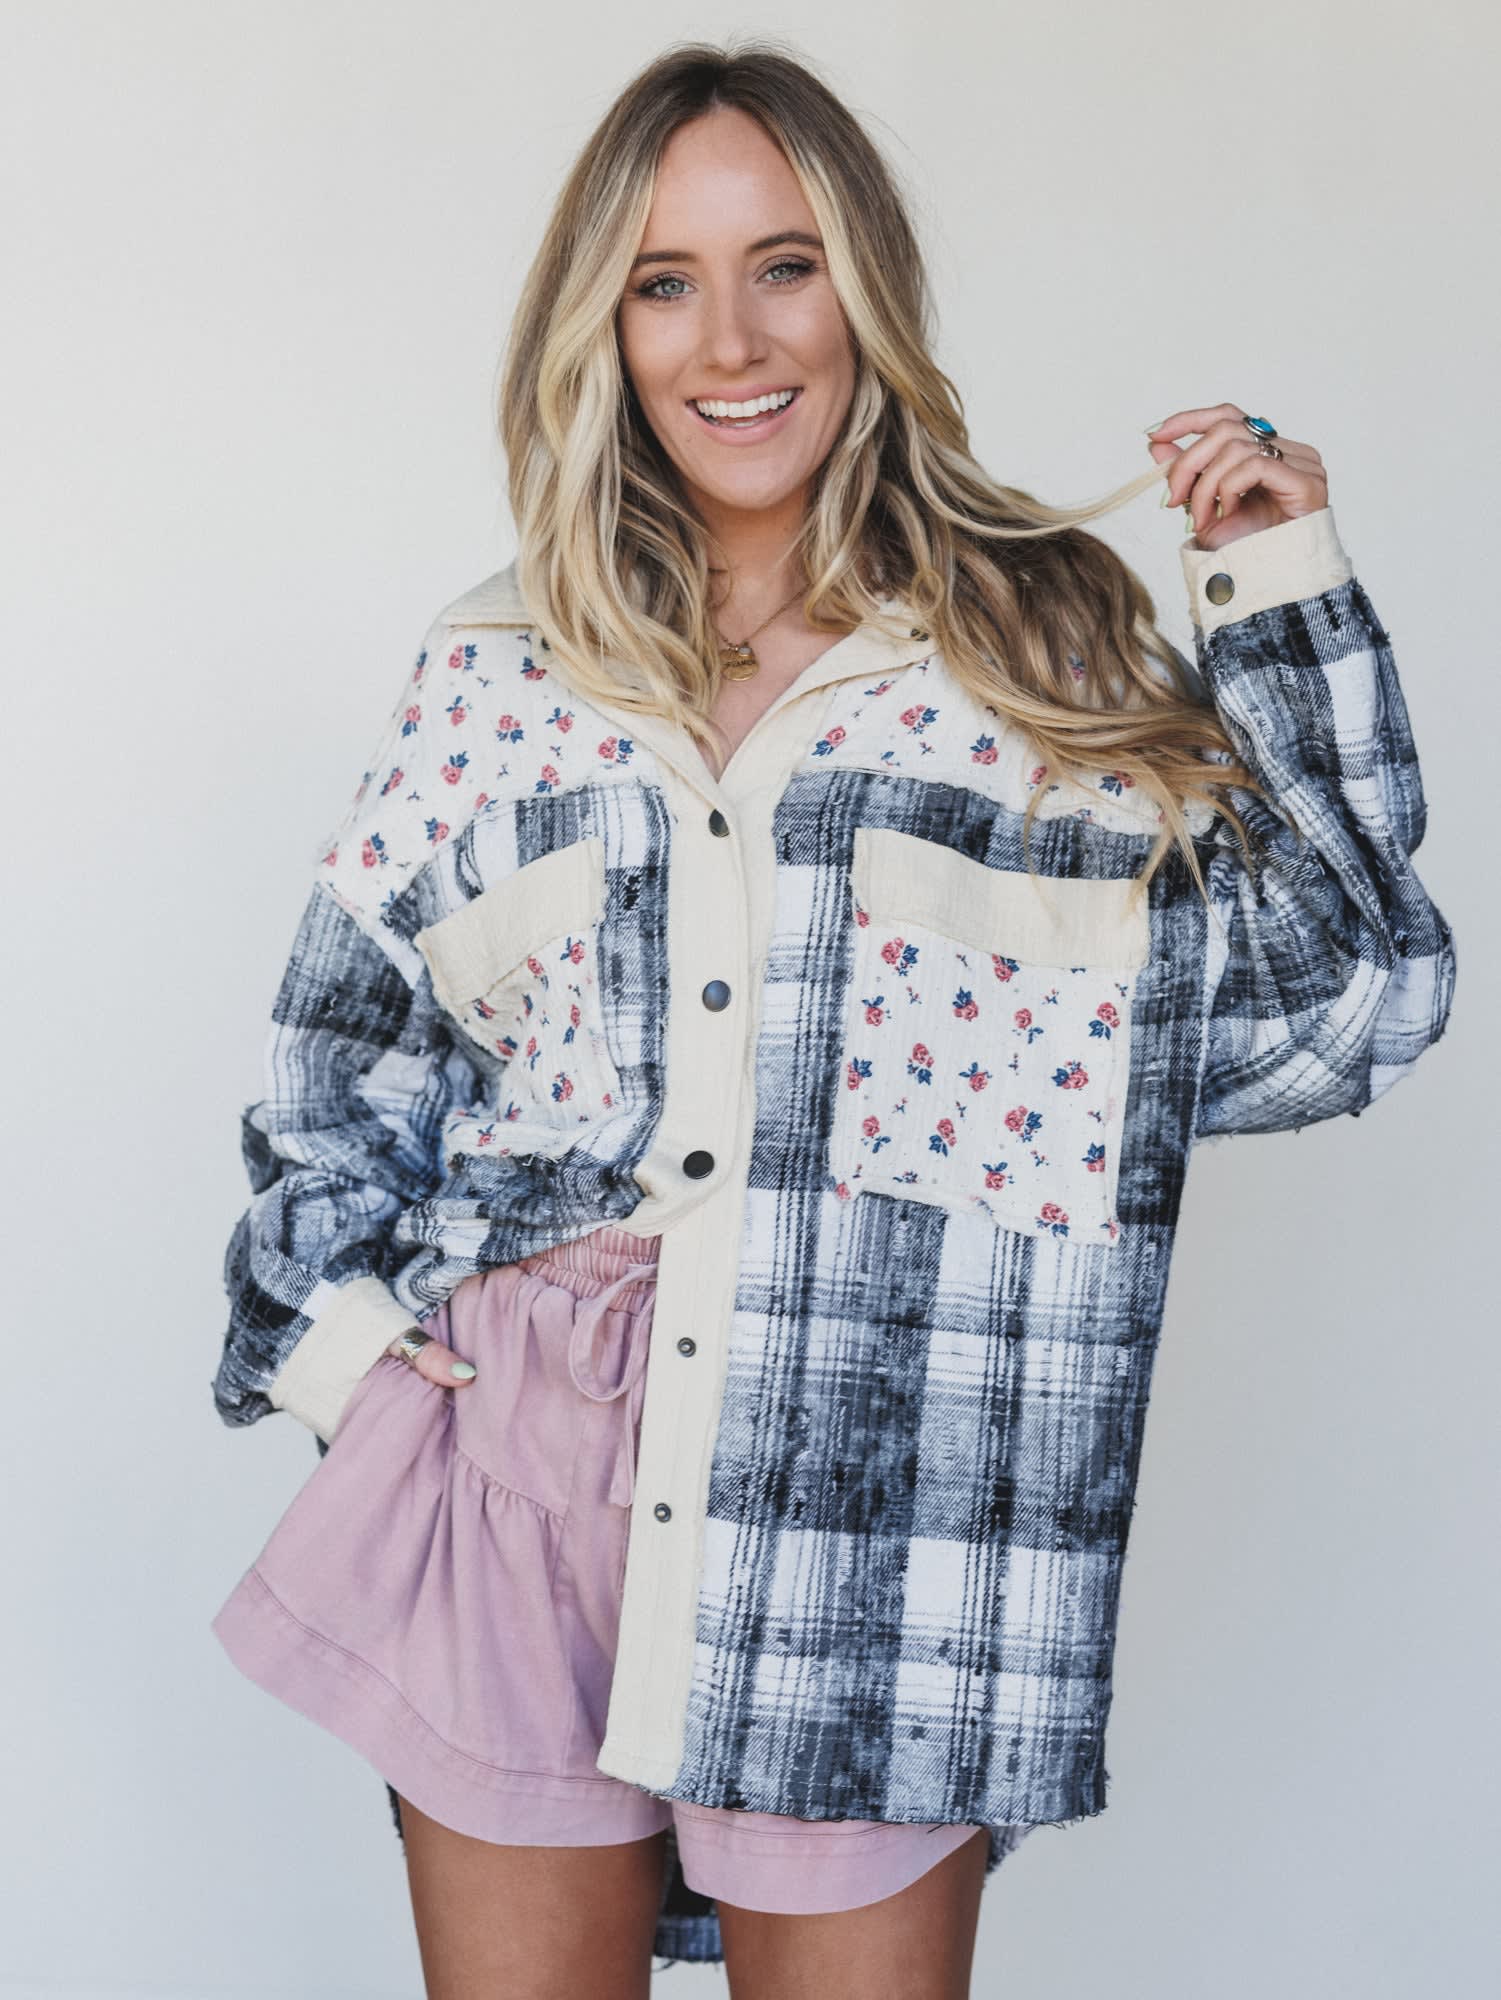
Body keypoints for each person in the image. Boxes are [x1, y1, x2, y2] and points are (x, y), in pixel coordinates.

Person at [208, 36, 1456, 2000]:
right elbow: (331, 1078)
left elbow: (1345, 994)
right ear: (603, 327)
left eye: (783, 264)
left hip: (873, 1497)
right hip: (511, 1477)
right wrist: (353, 1366)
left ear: (865, 287)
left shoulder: (1034, 651)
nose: (731, 340)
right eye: (665, 280)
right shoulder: (500, 668)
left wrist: (1272, 587)